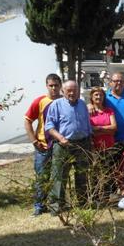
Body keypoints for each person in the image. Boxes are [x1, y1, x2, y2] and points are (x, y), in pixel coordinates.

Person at [44, 80, 93, 214]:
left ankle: (83, 202)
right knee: (60, 175)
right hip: (63, 144)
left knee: (82, 174)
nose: (72, 93)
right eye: (69, 90)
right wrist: (60, 138)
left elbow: (87, 124)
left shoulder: (82, 104)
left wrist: (89, 139)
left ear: (78, 91)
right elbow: (49, 126)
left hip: (83, 143)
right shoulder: (56, 105)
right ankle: (56, 206)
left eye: (75, 90)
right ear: (63, 91)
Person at [24, 73, 62, 217]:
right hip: (43, 147)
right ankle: (39, 206)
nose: (53, 88)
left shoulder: (64, 101)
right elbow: (27, 120)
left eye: (56, 85)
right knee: (41, 177)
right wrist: (34, 140)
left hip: (59, 146)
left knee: (58, 177)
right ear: (46, 86)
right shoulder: (40, 101)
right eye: (51, 85)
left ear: (60, 85)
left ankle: (56, 205)